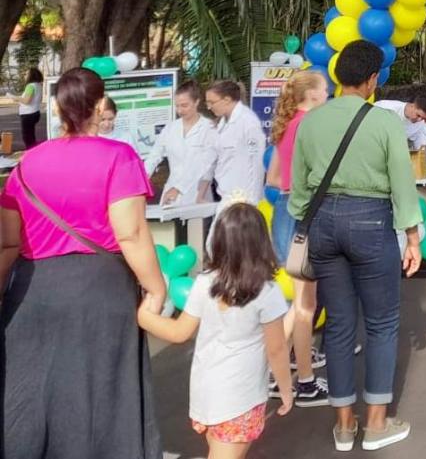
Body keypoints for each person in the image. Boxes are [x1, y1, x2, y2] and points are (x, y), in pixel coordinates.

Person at [0, 67, 166, 457]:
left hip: (33, 290)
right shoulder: (118, 156)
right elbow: (131, 233)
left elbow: (8, 242)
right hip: (100, 290)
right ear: (98, 106)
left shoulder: (26, 165)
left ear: (57, 109)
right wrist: (156, 287)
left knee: (34, 397)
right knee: (103, 395)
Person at [289, 40, 424, 452]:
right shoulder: (383, 122)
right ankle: (377, 423)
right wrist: (413, 235)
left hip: (323, 225)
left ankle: (345, 426)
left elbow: (299, 187)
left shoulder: (311, 121)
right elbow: (402, 181)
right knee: (381, 323)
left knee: (341, 325)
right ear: (371, 80)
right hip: (371, 221)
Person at [136, 202, 294, 459]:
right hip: (242, 397)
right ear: (261, 243)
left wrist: (144, 316)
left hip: (206, 394)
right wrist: (286, 390)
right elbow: (276, 349)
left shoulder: (205, 283)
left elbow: (179, 332)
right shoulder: (267, 291)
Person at [263, 70, 329, 406]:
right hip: (307, 213)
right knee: (304, 306)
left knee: (297, 303)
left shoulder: (285, 127)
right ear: (314, 95)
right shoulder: (311, 126)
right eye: (325, 91)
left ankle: (282, 371)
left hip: (285, 211)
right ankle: (299, 380)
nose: (329, 96)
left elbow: (273, 177)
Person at [146, 80, 217, 206]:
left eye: (184, 105)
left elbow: (205, 165)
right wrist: (144, 177)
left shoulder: (209, 128)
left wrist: (180, 188)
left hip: (198, 192)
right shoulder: (170, 128)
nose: (180, 110)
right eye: (177, 106)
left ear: (196, 102)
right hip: (171, 193)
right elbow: (154, 156)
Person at [206, 80, 267, 207]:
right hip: (227, 195)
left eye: (212, 102)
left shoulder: (248, 122)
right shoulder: (222, 123)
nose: (209, 107)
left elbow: (257, 163)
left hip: (244, 198)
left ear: (227, 99)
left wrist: (253, 200)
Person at [16, 66, 42, 149]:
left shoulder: (30, 86)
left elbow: (27, 101)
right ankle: (33, 151)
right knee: (31, 135)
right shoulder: (38, 85)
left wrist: (15, 98)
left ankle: (30, 154)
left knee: (27, 137)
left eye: (27, 74)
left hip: (28, 114)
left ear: (32, 75)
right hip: (35, 112)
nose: (25, 75)